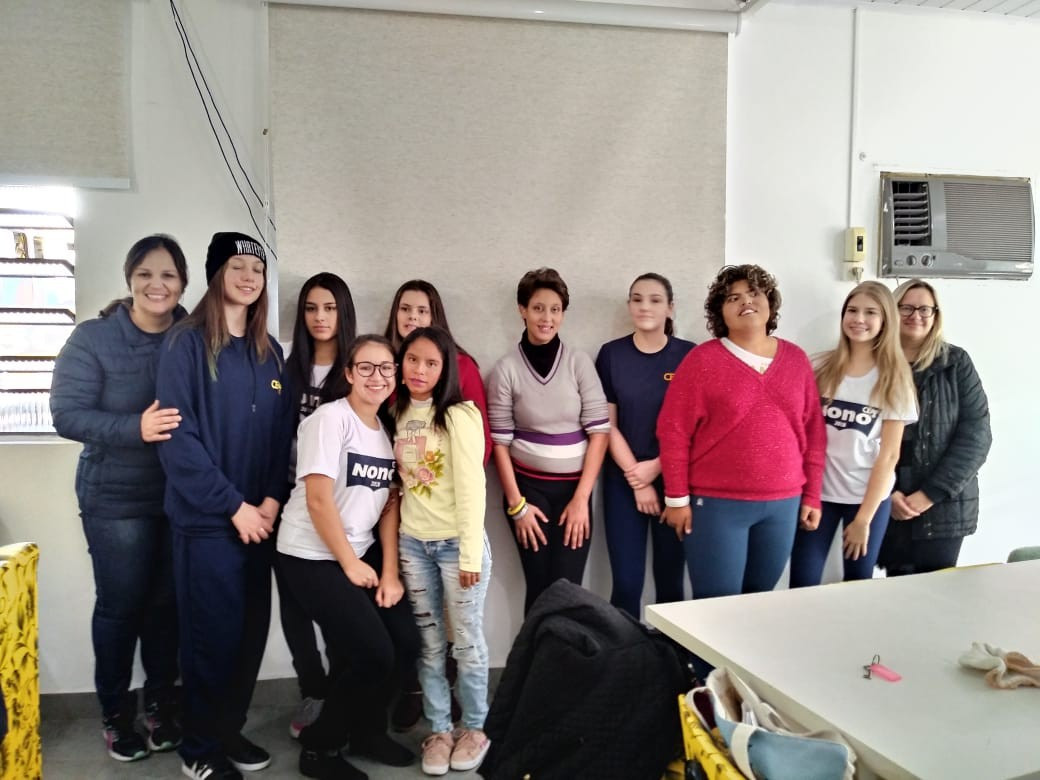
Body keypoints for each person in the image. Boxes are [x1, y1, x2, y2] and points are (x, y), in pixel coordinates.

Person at [156, 232, 294, 780]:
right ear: (216, 274)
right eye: (237, 266)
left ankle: (226, 729)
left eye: (256, 269)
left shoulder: (270, 352)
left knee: (248, 636)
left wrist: (271, 499)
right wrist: (234, 507)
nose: (248, 277)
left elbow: (282, 435)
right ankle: (198, 748)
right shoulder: (185, 344)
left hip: (259, 522)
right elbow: (178, 439)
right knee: (209, 640)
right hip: (209, 524)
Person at [50, 234, 188, 762]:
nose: (157, 284)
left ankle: (160, 706)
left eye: (168, 275)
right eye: (146, 274)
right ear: (130, 279)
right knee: (121, 607)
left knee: (166, 607)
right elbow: (66, 414)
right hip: (115, 498)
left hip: (178, 496)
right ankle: (114, 714)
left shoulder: (191, 336)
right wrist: (136, 427)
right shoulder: (93, 338)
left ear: (182, 284)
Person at [276, 334, 419, 780]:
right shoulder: (329, 420)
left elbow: (389, 506)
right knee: (373, 653)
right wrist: (350, 563)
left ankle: (367, 733)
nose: (377, 376)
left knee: (405, 641)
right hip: (309, 554)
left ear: (395, 376)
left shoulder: (386, 431)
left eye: (386, 368)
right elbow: (318, 500)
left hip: (359, 550)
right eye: (366, 367)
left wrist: (389, 572)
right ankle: (319, 748)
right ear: (349, 374)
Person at [657, 264, 825, 601]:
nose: (746, 301)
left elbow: (813, 432)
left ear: (770, 303)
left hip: (783, 505)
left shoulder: (796, 359)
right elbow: (673, 431)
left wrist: (812, 495)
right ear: (720, 313)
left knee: (759, 604)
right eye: (733, 298)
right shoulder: (702, 360)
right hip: (716, 506)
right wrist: (676, 499)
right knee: (715, 608)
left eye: (754, 293)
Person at [383, 279, 490, 730]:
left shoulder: (461, 415)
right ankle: (441, 729)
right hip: (413, 545)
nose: (419, 370)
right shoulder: (395, 412)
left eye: (431, 363)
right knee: (428, 646)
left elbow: (473, 487)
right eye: (412, 360)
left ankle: (476, 727)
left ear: (446, 368)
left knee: (465, 643)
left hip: (455, 547)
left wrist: (469, 554)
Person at [487, 268, 610, 613]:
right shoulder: (506, 369)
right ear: (522, 310)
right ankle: (534, 650)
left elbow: (600, 433)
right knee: (541, 588)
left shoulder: (578, 363)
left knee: (569, 590)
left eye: (555, 310)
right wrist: (517, 506)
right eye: (538, 308)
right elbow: (499, 445)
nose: (547, 318)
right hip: (529, 493)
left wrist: (581, 499)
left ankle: (567, 652)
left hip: (575, 492)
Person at [788, 282, 917, 587]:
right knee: (802, 583)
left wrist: (863, 520)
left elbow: (889, 456)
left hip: (866, 499)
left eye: (870, 312)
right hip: (818, 495)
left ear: (885, 320)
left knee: (858, 584)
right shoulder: (818, 365)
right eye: (852, 310)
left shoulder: (894, 378)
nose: (859, 319)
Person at [278, 273, 357, 740]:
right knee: (293, 606)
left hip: (338, 508)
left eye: (329, 308)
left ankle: (343, 693)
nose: (320, 317)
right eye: (311, 308)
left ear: (343, 313)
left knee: (338, 607)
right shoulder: (285, 367)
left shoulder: (355, 369)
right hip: (286, 501)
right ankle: (314, 689)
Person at [594, 273, 694, 617]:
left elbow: (694, 427)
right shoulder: (611, 354)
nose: (644, 307)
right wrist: (637, 479)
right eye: (637, 299)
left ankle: (672, 651)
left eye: (654, 300)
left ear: (670, 308)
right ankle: (625, 650)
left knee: (670, 581)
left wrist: (657, 467)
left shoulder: (689, 355)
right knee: (626, 583)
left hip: (675, 482)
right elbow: (607, 424)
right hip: (623, 480)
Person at [878, 279, 992, 576]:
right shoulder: (874, 362)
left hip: (944, 506)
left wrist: (929, 494)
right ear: (892, 310)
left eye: (924, 309)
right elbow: (860, 438)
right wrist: (887, 493)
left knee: (938, 592)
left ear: (935, 315)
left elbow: (976, 436)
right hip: (888, 501)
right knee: (895, 591)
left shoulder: (956, 362)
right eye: (906, 307)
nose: (915, 315)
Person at [384, 279, 491, 462]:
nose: (412, 316)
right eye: (405, 309)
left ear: (434, 316)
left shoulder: (462, 365)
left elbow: (482, 438)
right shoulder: (383, 363)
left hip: (445, 473)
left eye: (422, 311)